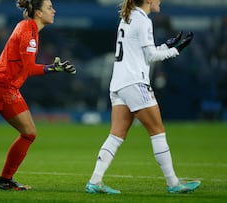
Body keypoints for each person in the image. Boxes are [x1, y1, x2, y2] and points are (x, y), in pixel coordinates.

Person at [85, 0, 201, 194]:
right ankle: (173, 183)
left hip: (118, 84)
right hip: (134, 83)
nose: (160, 1)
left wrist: (165, 45)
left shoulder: (127, 17)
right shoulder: (143, 20)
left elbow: (140, 52)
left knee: (116, 135)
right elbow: (150, 57)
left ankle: (95, 181)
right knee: (158, 131)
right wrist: (176, 50)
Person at [0, 0, 76, 191]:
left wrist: (52, 67)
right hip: (2, 86)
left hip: (7, 85)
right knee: (29, 133)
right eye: (49, 7)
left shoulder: (28, 28)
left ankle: (5, 179)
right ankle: (4, 180)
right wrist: (53, 68)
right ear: (39, 13)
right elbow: (30, 68)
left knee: (29, 133)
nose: (54, 10)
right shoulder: (28, 32)